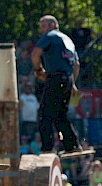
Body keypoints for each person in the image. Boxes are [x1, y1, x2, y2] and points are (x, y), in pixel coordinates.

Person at [31, 15, 80, 153]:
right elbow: (76, 64)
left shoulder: (51, 36)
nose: (42, 30)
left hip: (55, 77)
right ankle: (73, 145)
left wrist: (39, 70)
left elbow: (35, 54)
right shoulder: (68, 40)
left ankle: (47, 148)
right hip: (68, 79)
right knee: (60, 114)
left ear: (53, 25)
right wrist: (73, 83)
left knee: (44, 114)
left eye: (44, 26)